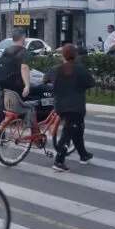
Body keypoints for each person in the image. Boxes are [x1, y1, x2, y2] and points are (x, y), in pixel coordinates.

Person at [43, 44, 95, 172]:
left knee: (76, 130)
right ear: (75, 56)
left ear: (63, 56)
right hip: (76, 107)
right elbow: (91, 83)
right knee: (68, 133)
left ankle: (83, 155)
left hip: (60, 105)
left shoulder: (55, 69)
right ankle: (59, 161)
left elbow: (44, 80)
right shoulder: (80, 70)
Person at [0, 28, 35, 130]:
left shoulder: (6, 51)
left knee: (2, 110)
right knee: (32, 106)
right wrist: (27, 85)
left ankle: (0, 134)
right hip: (17, 86)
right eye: (25, 37)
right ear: (22, 38)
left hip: (5, 86)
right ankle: (31, 132)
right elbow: (24, 68)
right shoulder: (24, 52)